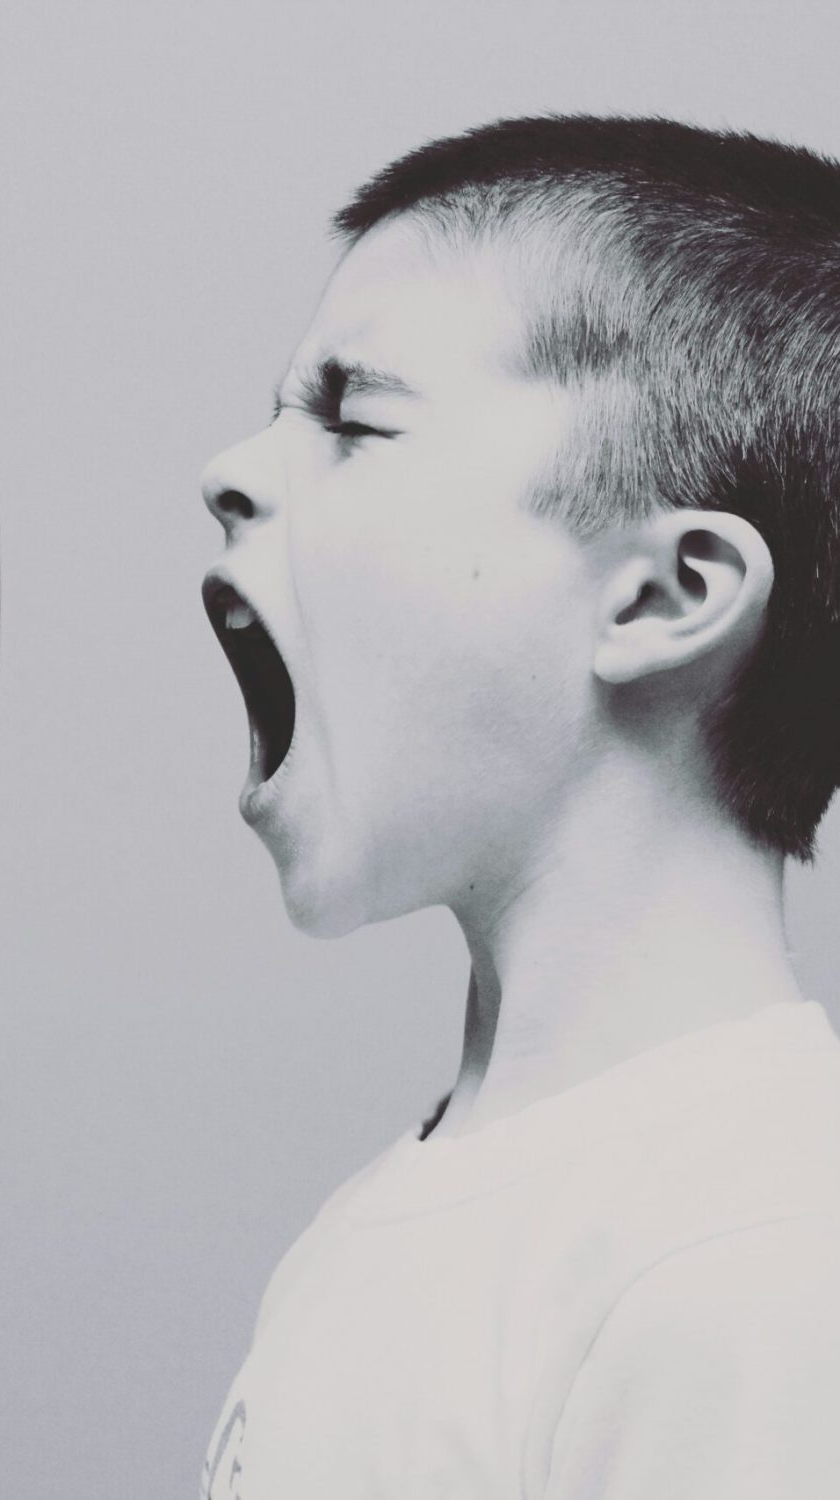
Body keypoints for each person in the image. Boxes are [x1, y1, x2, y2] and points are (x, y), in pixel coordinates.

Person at [198, 114, 840, 1498]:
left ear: (666, 596)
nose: (231, 472)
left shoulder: (761, 1252)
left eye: (353, 422)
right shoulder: (381, 1226)